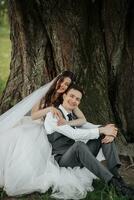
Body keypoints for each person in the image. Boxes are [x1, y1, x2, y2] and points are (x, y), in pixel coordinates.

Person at [0, 71, 104, 199]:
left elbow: (82, 119)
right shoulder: (44, 95)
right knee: (20, 142)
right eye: (62, 82)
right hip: (37, 127)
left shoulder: (65, 98)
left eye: (67, 85)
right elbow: (33, 115)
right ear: (57, 79)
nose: (63, 86)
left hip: (52, 131)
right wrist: (49, 109)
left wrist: (67, 122)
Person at [44, 84, 134, 199]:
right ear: (64, 95)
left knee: (100, 133)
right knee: (79, 145)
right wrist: (103, 130)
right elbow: (74, 134)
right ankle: (113, 183)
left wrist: (110, 131)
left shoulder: (74, 116)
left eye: (77, 99)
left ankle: (117, 177)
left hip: (78, 156)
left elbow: (92, 126)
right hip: (62, 159)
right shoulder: (53, 115)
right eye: (71, 96)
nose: (74, 101)